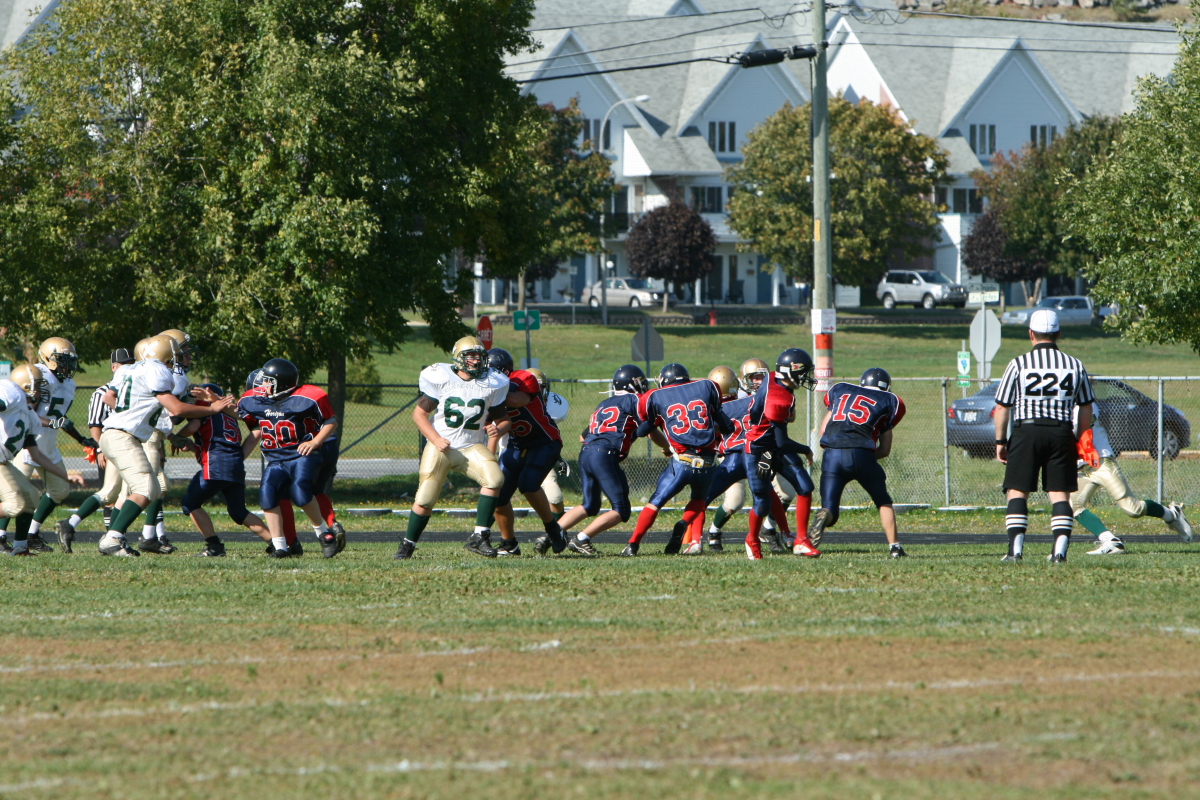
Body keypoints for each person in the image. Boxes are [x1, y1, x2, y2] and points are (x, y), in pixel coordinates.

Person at [396, 337, 531, 560]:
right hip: (442, 448)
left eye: (479, 357)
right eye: (471, 356)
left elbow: (504, 420)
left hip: (471, 446)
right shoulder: (441, 377)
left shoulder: (492, 382)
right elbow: (419, 414)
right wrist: (436, 439)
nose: (476, 361)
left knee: (495, 479)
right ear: (458, 357)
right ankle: (408, 545)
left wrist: (499, 428)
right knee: (426, 498)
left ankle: (480, 536)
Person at [96, 335, 232, 556]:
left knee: (151, 488)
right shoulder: (157, 369)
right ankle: (113, 539)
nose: (178, 359)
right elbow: (176, 409)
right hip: (123, 436)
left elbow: (114, 398)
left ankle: (115, 536)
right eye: (176, 355)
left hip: (117, 434)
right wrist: (212, 409)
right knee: (146, 488)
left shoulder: (130, 369)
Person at [993, 308, 1095, 563]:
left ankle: (1015, 551)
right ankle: (1059, 552)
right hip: (1061, 431)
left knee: (1017, 491)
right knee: (1060, 494)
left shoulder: (1018, 364)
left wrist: (1000, 442)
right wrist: (1077, 438)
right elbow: (1086, 407)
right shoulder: (1074, 365)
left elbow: (1003, 407)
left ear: (1031, 334)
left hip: (1026, 431)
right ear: (1058, 333)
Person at [621, 363, 733, 557]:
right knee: (699, 500)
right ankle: (683, 523)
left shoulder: (655, 396)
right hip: (707, 462)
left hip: (682, 462)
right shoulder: (707, 386)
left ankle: (633, 544)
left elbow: (643, 430)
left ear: (664, 380)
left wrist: (655, 424)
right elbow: (727, 427)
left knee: (656, 502)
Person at [237, 359, 342, 558]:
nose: (263, 385)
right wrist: (215, 403)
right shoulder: (255, 400)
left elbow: (331, 422)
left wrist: (315, 442)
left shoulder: (306, 398)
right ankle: (280, 547)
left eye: (268, 381)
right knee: (267, 495)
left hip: (300, 455)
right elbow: (237, 413)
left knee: (300, 493)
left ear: (282, 383)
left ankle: (324, 534)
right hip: (276, 458)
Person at [808, 367, 906, 559]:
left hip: (832, 454)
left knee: (830, 509)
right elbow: (885, 449)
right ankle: (895, 548)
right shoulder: (889, 400)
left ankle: (824, 516)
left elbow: (823, 431)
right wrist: (865, 459)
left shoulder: (841, 390)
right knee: (883, 501)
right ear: (886, 386)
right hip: (862, 453)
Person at [1071, 405, 1192, 554]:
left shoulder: (1084, 404)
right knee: (1072, 506)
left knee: (1133, 509)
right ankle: (1110, 541)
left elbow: (1076, 429)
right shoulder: (1058, 404)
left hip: (1101, 462)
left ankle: (1172, 514)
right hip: (1081, 467)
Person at [556, 365, 650, 556]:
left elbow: (582, 436)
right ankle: (582, 539)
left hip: (586, 452)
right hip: (604, 454)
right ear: (633, 383)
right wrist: (667, 447)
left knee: (589, 505)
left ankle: (550, 534)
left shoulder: (605, 403)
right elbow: (648, 428)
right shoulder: (635, 400)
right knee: (621, 510)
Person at [17, 338, 94, 553]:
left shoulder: (69, 384)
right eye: (62, 360)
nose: (67, 365)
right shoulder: (39, 376)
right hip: (26, 443)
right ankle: (2, 537)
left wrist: (81, 439)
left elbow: (60, 417)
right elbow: (29, 413)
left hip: (48, 446)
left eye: (70, 361)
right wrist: (54, 423)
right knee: (15, 493)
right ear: (47, 358)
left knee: (60, 490)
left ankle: (32, 534)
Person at [178, 383, 274, 556]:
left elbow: (193, 427)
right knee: (239, 512)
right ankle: (276, 543)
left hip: (216, 464)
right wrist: (193, 447)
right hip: (234, 463)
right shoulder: (230, 416)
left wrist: (176, 437)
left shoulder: (206, 409)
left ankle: (214, 546)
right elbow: (217, 439)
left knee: (190, 503)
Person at [55, 349, 136, 552]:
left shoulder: (135, 388)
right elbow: (95, 425)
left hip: (129, 444)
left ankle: (104, 534)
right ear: (113, 367)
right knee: (120, 492)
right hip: (115, 445)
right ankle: (116, 537)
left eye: (131, 364)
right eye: (124, 364)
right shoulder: (103, 392)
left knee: (118, 493)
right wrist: (100, 449)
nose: (128, 368)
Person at [741, 349, 819, 560]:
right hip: (758, 448)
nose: (806, 378)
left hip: (773, 443)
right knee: (762, 501)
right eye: (803, 373)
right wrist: (806, 449)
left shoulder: (775, 377)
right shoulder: (778, 399)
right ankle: (752, 539)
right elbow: (782, 442)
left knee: (805, 486)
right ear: (791, 372)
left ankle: (801, 541)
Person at [0, 365, 85, 555]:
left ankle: (20, 547)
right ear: (25, 384)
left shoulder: (29, 414)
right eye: (38, 385)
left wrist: (65, 476)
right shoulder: (11, 392)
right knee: (15, 505)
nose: (41, 390)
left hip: (3, 461)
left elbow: (36, 454)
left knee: (32, 497)